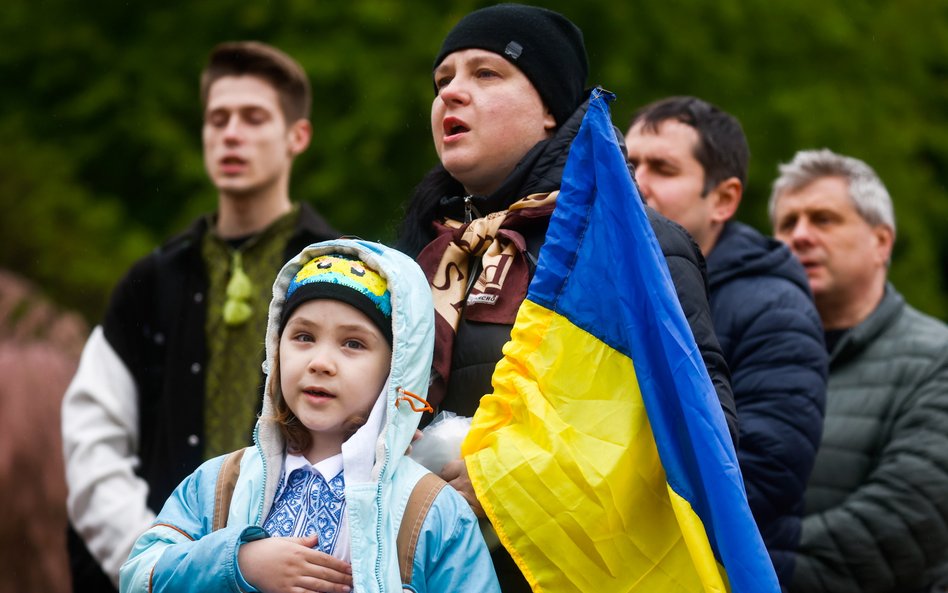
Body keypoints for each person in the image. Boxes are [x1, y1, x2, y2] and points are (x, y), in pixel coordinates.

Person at [395, 5, 738, 589]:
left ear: (551, 109)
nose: (453, 93)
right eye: (442, 80)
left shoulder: (630, 243)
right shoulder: (418, 253)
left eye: (486, 74)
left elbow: (700, 433)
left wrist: (504, 488)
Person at [62, 41, 339, 590]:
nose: (231, 133)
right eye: (218, 118)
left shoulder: (340, 272)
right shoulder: (150, 283)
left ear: (296, 136)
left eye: (253, 117)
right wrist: (159, 566)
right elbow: (92, 441)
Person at [119, 239, 500, 593]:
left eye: (353, 343)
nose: (320, 363)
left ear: (396, 369)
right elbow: (138, 576)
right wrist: (237, 563)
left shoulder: (431, 510)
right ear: (276, 347)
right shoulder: (220, 483)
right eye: (303, 337)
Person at [624, 96, 827, 588]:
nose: (636, 181)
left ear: (724, 199)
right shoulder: (606, 284)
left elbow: (763, 475)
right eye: (628, 163)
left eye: (663, 169)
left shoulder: (774, 310)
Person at [769, 148, 948, 593]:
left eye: (824, 219)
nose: (801, 235)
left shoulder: (938, 360)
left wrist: (738, 566)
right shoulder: (747, 362)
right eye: (788, 223)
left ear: (881, 242)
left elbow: (901, 525)